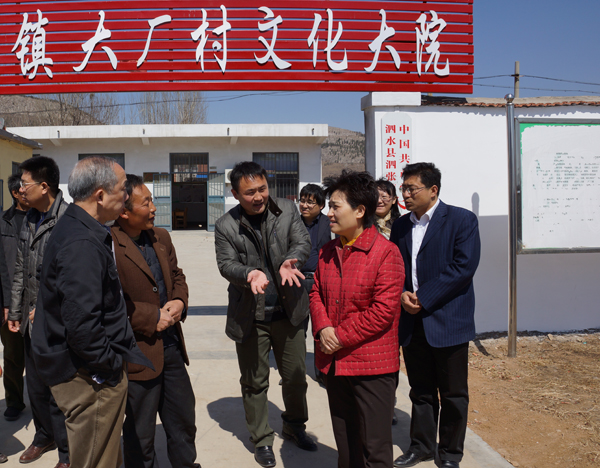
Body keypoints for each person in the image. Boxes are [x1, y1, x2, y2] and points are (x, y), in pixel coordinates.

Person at [30, 156, 152, 468]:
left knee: (103, 455)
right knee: (95, 460)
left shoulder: (78, 226)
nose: (126, 195)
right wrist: (109, 368)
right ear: (100, 195)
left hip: (88, 370)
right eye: (122, 189)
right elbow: (82, 324)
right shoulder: (81, 241)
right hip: (88, 377)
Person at [214, 161, 317, 468]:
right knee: (254, 381)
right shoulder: (225, 225)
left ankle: (295, 425)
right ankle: (261, 439)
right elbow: (226, 264)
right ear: (235, 194)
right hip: (251, 316)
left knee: (295, 377)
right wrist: (248, 273)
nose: (258, 197)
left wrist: (292, 259)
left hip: (289, 312)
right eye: (250, 192)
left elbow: (303, 241)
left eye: (262, 189)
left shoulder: (287, 210)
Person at [310, 170, 404, 468]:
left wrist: (338, 336)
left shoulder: (386, 253)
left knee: (374, 448)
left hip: (371, 366)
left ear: (360, 211)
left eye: (335, 206)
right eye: (329, 206)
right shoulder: (328, 251)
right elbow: (316, 293)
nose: (329, 213)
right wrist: (323, 327)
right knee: (346, 444)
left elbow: (382, 311)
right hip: (335, 363)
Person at [389, 162, 481, 468]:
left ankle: (450, 453)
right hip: (412, 320)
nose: (405, 194)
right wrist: (402, 293)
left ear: (433, 190)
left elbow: (463, 267)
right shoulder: (401, 226)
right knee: (421, 391)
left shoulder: (461, 220)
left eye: (411, 188)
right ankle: (422, 447)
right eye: (403, 188)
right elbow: (396, 267)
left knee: (453, 394)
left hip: (448, 320)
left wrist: (424, 297)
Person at [111, 174, 200, 468]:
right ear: (124, 211)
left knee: (183, 420)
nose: (153, 208)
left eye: (152, 200)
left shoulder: (161, 237)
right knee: (140, 433)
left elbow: (177, 276)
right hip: (138, 354)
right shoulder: (108, 245)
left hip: (171, 346)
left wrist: (180, 301)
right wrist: (151, 317)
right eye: (146, 203)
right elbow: (108, 303)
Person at [7, 157, 70, 468]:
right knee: (35, 386)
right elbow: (21, 268)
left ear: (44, 187)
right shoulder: (29, 218)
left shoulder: (68, 220)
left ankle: (68, 451)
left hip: (57, 324)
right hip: (31, 324)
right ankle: (44, 435)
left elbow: (71, 278)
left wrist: (47, 308)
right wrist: (16, 311)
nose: (20, 189)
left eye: (25, 183)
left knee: (61, 389)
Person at [0, 174, 29, 422]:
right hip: (10, 301)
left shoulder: (42, 219)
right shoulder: (3, 222)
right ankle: (14, 401)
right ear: (15, 193)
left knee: (41, 355)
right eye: (24, 187)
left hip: (36, 299)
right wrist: (6, 304)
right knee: (12, 356)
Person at [298, 183, 331, 386]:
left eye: (310, 202)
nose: (305, 205)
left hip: (320, 282)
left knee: (320, 328)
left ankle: (322, 371)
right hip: (297, 281)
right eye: (302, 200)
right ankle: (295, 372)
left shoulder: (329, 223)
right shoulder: (293, 223)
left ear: (321, 205)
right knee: (296, 329)